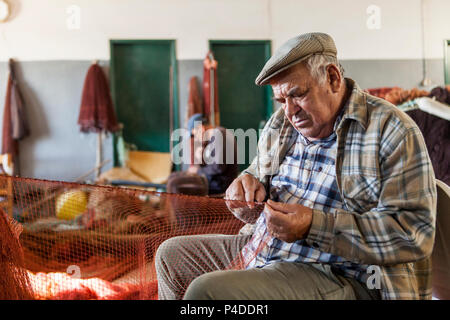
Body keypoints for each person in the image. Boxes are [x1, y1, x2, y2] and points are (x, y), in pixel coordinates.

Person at [156, 32, 436, 300]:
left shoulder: (392, 131)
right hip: (266, 247)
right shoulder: (280, 125)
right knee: (170, 257)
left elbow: (414, 235)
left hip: (338, 273)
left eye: (298, 94)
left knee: (206, 293)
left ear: (332, 77)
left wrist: (314, 226)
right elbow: (255, 177)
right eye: (281, 100)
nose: (289, 111)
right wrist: (245, 190)